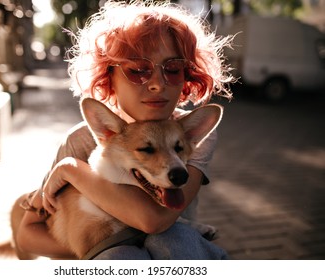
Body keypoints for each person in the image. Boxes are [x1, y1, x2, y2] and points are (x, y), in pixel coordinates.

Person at [14, 0, 235, 260]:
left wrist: (71, 170)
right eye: (139, 70)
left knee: (175, 239)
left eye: (173, 69)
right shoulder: (80, 140)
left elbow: (154, 221)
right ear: (108, 77)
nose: (157, 84)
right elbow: (27, 234)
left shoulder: (187, 133)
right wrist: (95, 248)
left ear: (188, 75)